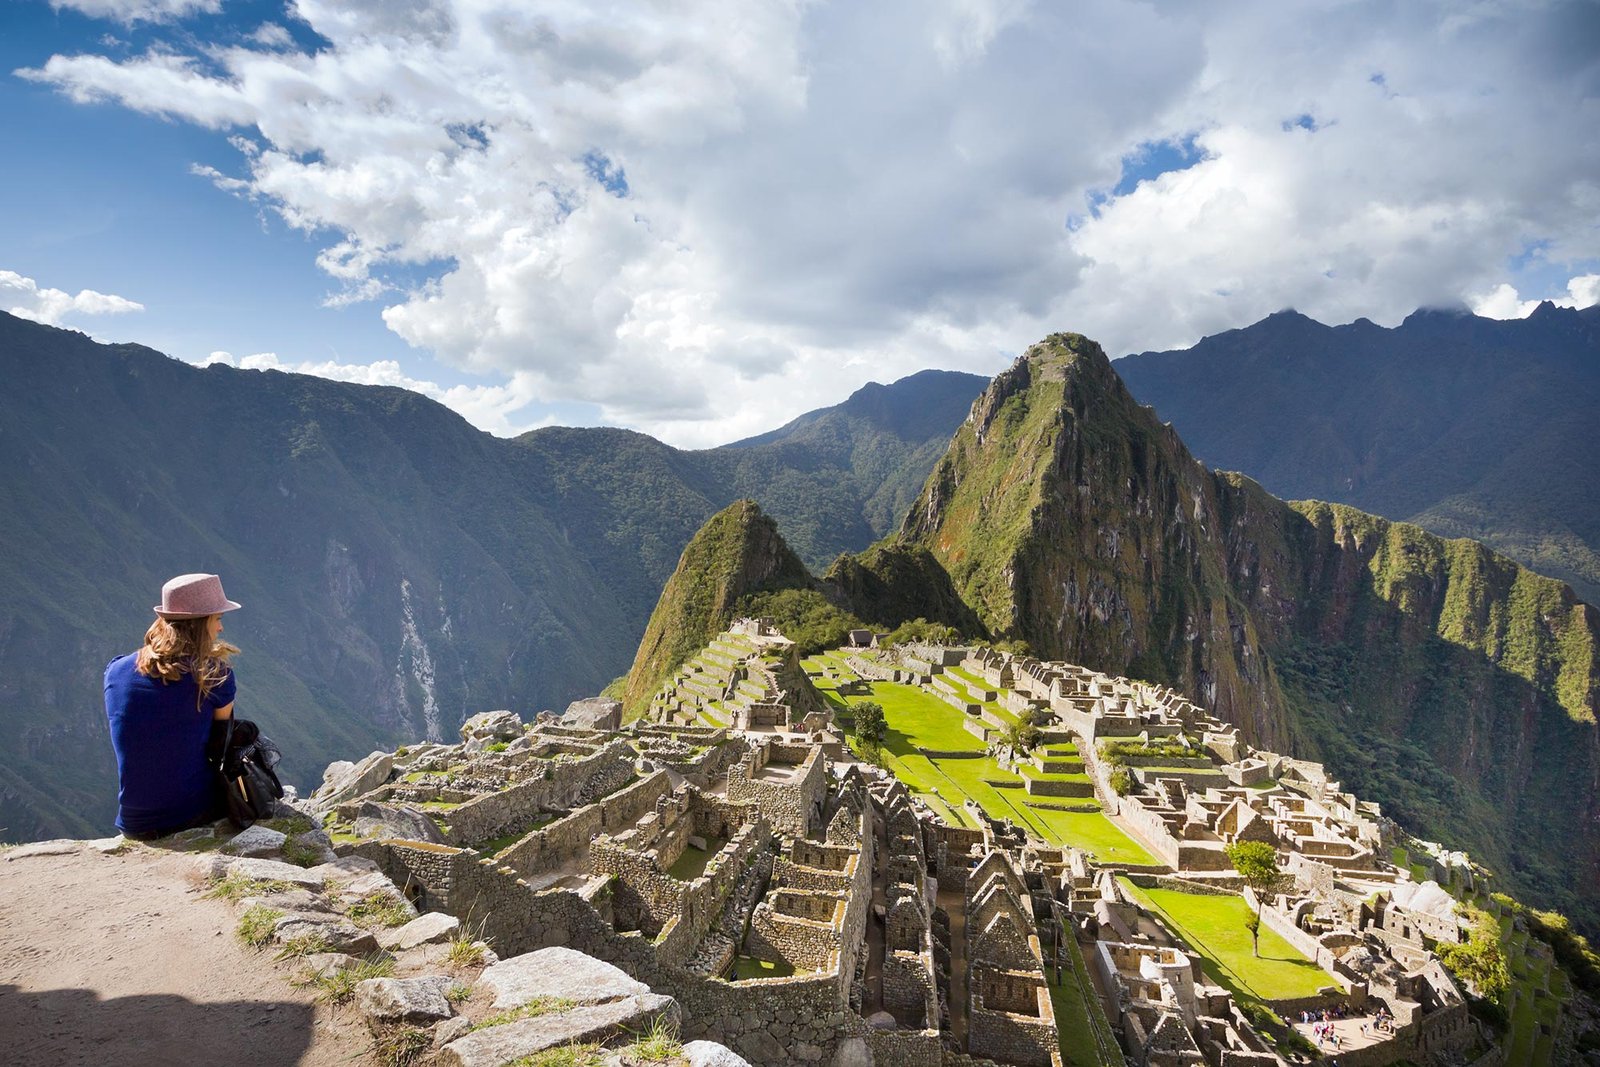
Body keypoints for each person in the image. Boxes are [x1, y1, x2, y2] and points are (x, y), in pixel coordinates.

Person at [104, 573, 241, 839]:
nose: (220, 629)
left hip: (133, 820)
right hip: (188, 814)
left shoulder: (116, 669)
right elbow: (222, 743)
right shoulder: (213, 674)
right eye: (218, 619)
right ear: (202, 623)